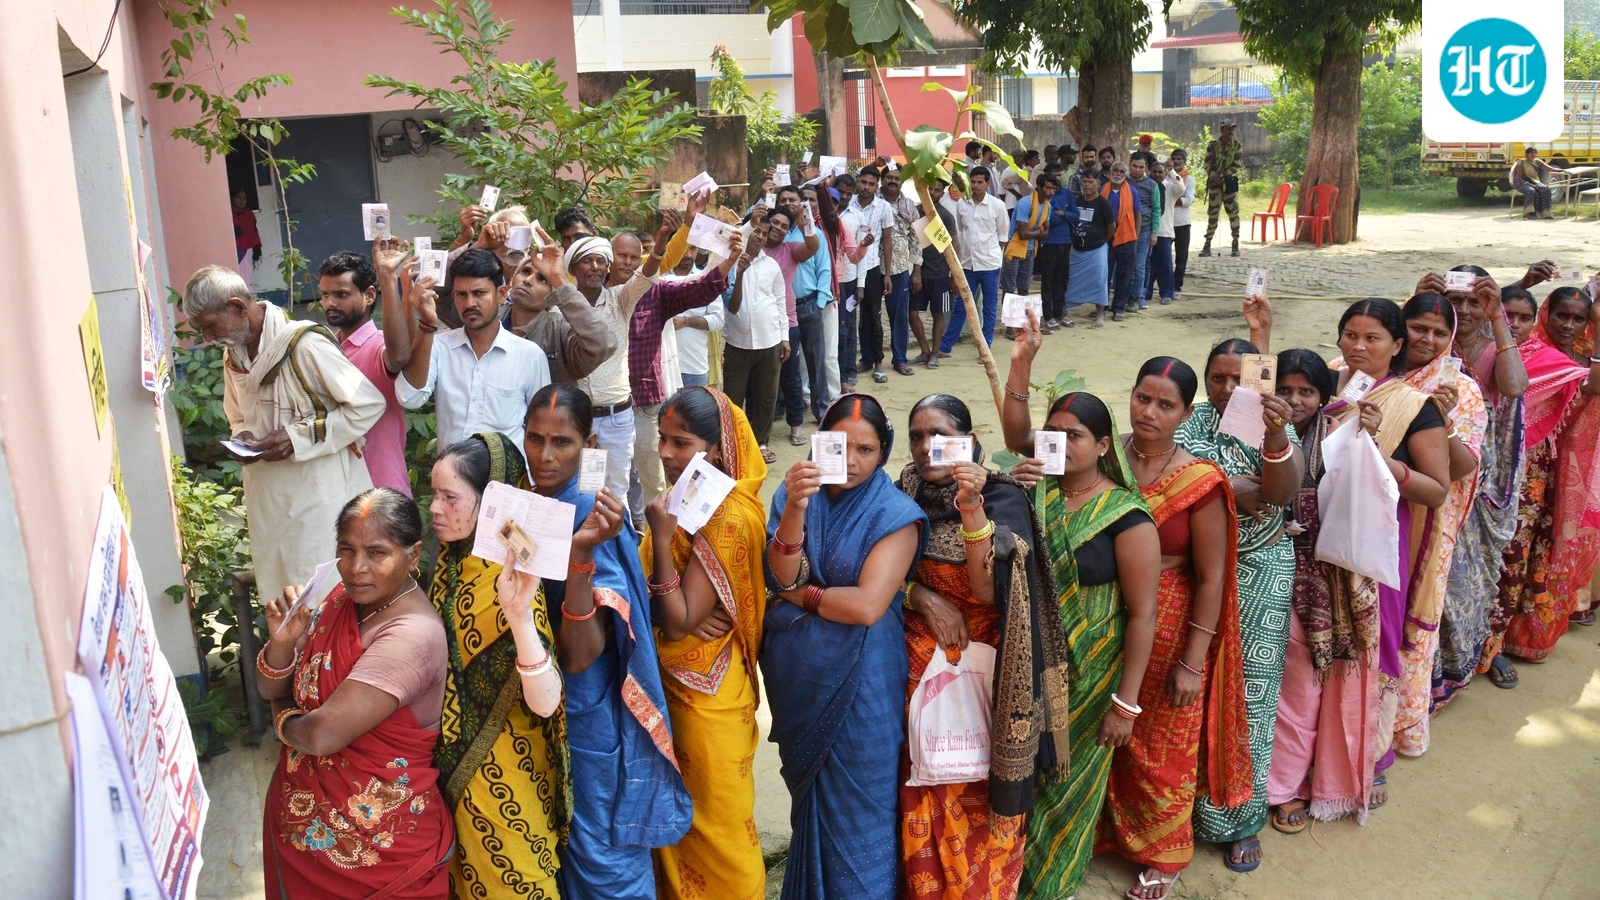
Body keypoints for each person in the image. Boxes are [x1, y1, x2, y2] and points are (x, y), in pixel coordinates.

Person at [1000, 331, 1160, 898]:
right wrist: (1021, 362)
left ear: (1100, 445)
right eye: (1055, 435)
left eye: (1077, 437)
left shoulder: (1125, 514)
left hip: (1093, 675)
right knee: (1027, 774)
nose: (1063, 444)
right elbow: (1014, 434)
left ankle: (1051, 885)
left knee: (1069, 784)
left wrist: (1126, 702)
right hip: (1030, 663)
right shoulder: (1032, 492)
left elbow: (1143, 615)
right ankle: (1010, 877)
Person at [897, 393, 1076, 898]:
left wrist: (970, 507)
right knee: (923, 785)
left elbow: (987, 591)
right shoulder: (903, 492)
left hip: (984, 674)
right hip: (915, 672)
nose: (926, 446)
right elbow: (873, 567)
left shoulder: (1000, 497)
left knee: (975, 784)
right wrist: (921, 595)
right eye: (917, 436)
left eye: (940, 435)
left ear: (969, 441)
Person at [525, 384, 693, 899]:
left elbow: (581, 655)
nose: (545, 456)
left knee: (603, 860)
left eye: (563, 442)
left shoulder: (591, 517)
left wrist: (579, 557)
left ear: (590, 443)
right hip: (542, 710)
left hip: (588, 713)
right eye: (535, 439)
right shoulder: (530, 506)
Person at [1094, 356, 1252, 900]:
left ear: (1186, 413)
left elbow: (1211, 579)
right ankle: (1100, 835)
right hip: (1099, 613)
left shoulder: (1199, 481)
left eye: (1166, 405)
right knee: (1101, 728)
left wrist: (1192, 661)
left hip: (1168, 622)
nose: (1149, 412)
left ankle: (1162, 851)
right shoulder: (1103, 454)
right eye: (1142, 398)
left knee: (1161, 742)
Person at [764, 393, 927, 899]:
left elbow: (866, 607)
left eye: (866, 450)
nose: (851, 462)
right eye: (839, 446)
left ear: (884, 453)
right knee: (811, 798)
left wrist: (800, 596)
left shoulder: (896, 512)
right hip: (801, 681)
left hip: (865, 685)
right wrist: (794, 507)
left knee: (862, 807)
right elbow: (780, 571)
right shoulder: (792, 496)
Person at [258, 487, 454, 898]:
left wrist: (281, 716)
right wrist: (282, 642)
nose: (356, 567)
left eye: (377, 553)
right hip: (306, 832)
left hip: (375, 851)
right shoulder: (340, 600)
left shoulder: (411, 636)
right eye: (346, 549)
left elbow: (318, 735)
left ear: (413, 556)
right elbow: (268, 685)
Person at [1177, 336, 1304, 872]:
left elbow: (1280, 494)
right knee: (1189, 687)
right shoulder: (1189, 424)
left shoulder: (1272, 421)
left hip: (1261, 569)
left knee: (1250, 695)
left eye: (1239, 379)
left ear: (1258, 379)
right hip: (1194, 568)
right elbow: (1167, 484)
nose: (1229, 390)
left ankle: (1237, 817)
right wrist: (1231, 491)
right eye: (1218, 378)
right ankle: (1179, 809)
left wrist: (1274, 437)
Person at [186, 264, 384, 603]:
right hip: (268, 499)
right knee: (282, 599)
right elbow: (237, 416)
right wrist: (243, 436)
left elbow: (368, 404)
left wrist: (296, 439)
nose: (207, 338)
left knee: (325, 594)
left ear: (236, 306)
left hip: (319, 496)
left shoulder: (304, 345)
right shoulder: (232, 353)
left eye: (209, 326)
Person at [423, 434, 566, 898]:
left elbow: (546, 703)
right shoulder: (449, 564)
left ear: (492, 501)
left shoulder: (514, 577)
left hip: (511, 783)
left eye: (450, 497)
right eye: (433, 494)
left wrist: (520, 618)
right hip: (455, 785)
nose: (435, 509)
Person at [1323, 298, 1453, 809]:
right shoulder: (1331, 387)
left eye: (1372, 337)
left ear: (1396, 346)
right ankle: (1320, 749)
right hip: (1321, 536)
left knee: (1372, 646)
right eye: (1349, 335)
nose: (1357, 346)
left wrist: (1379, 457)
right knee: (1323, 644)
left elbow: (1436, 488)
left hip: (1375, 544)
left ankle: (1370, 760)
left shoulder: (1414, 406)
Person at [641, 386, 769, 900]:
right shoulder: (685, 495)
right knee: (677, 821)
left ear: (716, 449)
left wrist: (660, 535)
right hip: (673, 683)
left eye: (682, 442)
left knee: (719, 827)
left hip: (707, 698)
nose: (667, 453)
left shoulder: (729, 514)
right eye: (663, 439)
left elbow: (676, 622)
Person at [1266, 348, 1383, 833]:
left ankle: (1302, 783)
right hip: (1269, 575)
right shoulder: (1256, 430)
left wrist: (1367, 439)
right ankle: (1279, 784)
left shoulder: (1340, 433)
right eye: (1286, 390)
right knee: (1282, 687)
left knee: (1315, 685)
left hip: (1326, 582)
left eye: (1306, 391)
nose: (1294, 400)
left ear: (1324, 395)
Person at [1418, 269, 1525, 707]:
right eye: (1453, 301)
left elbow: (1515, 386)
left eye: (1473, 302)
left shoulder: (1491, 348)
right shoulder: (1433, 342)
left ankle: (1472, 655)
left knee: (1469, 577)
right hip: (1432, 464)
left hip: (1482, 478)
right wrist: (1420, 302)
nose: (1463, 311)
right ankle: (1425, 671)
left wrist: (1497, 314)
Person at [1386, 293, 1485, 757]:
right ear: (1401, 326)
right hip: (1368, 513)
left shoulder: (1461, 390)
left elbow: (1463, 468)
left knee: (1408, 616)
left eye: (1439, 332)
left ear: (1451, 339)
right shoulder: (1375, 365)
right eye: (1419, 327)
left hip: (1426, 520)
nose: (1428, 339)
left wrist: (1441, 423)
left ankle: (1397, 726)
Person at [1500, 286, 1600, 663]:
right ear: (1547, 314)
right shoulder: (1526, 353)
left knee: (1534, 551)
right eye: (1562, 315)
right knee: (1508, 550)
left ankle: (1518, 635)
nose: (1569, 325)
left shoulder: (1574, 360)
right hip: (1513, 468)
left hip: (1553, 470)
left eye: (1579, 319)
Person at [397, 247, 550, 454]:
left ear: (501, 294)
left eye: (479, 293)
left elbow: (542, 425)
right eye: (461, 294)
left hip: (506, 483)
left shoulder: (530, 356)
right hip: (451, 481)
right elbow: (410, 398)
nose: (469, 303)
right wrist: (426, 325)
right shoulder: (439, 347)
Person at [318, 245, 413, 495]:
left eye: (341, 294)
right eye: (325, 294)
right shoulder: (326, 348)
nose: (330, 302)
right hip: (337, 487)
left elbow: (399, 356)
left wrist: (389, 279)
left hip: (380, 488)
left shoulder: (377, 345)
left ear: (369, 295)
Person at [502, 231, 619, 385]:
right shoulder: (493, 317)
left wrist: (558, 279)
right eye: (525, 271)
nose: (528, 281)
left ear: (552, 296)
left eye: (542, 279)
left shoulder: (560, 329)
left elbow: (603, 344)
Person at [723, 217, 793, 464]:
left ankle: (761, 442)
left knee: (766, 396)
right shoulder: (729, 263)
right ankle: (732, 445)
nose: (760, 236)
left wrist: (784, 338)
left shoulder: (771, 265)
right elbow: (732, 307)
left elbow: (780, 301)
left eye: (765, 233)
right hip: (737, 342)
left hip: (769, 340)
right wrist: (740, 273)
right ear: (746, 232)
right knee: (733, 398)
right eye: (756, 231)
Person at [941, 166, 1008, 353]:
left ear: (988, 183)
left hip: (990, 265)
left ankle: (985, 347)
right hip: (967, 264)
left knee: (989, 307)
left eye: (980, 182)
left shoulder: (998, 206)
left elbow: (1002, 237)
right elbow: (961, 232)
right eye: (974, 182)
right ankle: (946, 346)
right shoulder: (962, 204)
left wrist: (992, 256)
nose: (976, 186)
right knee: (961, 306)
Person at [849, 166, 897, 384]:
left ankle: (878, 363)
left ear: (877, 186)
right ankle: (863, 359)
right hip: (849, 267)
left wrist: (886, 273)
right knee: (850, 317)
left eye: (871, 184)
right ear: (858, 181)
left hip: (871, 268)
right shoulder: (848, 203)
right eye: (863, 182)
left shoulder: (884, 207)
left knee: (873, 316)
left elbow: (887, 240)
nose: (866, 187)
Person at [911, 179, 960, 368]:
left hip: (940, 274)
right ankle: (924, 350)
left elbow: (953, 245)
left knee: (938, 314)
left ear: (942, 193)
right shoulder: (916, 212)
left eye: (937, 190)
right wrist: (916, 271)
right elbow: (916, 245)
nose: (932, 192)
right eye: (930, 188)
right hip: (919, 273)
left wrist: (953, 275)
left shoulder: (945, 216)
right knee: (912, 313)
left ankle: (935, 354)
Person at [1003, 174, 1057, 336]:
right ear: (1039, 187)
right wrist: (1038, 232)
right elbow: (1022, 233)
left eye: (1053, 188)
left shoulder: (1048, 206)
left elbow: (1045, 233)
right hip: (1014, 248)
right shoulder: (1025, 203)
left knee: (1024, 287)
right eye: (1048, 187)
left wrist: (1035, 233)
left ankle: (1021, 324)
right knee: (1009, 288)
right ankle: (1009, 327)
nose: (1051, 191)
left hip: (1030, 249)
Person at [881, 167, 920, 376]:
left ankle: (900, 359)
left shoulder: (909, 206)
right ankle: (870, 358)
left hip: (900, 268)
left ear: (901, 182)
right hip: (871, 268)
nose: (893, 181)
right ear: (882, 179)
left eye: (897, 178)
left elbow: (918, 239)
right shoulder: (871, 202)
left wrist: (917, 271)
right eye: (889, 177)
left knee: (899, 317)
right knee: (870, 317)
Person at [1065, 172, 1115, 328]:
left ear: (1098, 184)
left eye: (1090, 181)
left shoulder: (1103, 204)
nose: (1086, 184)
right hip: (1077, 248)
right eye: (1084, 181)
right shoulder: (1077, 201)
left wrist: (1102, 241)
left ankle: (1100, 313)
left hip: (1097, 249)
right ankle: (1064, 310)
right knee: (1071, 279)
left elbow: (1111, 226)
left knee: (1099, 281)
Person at [1036, 169, 1078, 329]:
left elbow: (1076, 214)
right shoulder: (1046, 196)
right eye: (1054, 176)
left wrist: (1063, 215)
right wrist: (1063, 217)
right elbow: (1048, 219)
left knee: (1062, 278)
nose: (1056, 179)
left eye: (1059, 175)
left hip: (1066, 242)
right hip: (1048, 242)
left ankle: (1059, 312)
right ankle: (1048, 315)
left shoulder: (1066, 194)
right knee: (1048, 279)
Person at [1101, 162, 1142, 322]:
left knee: (1125, 275)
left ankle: (1118, 308)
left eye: (1121, 171)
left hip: (1127, 238)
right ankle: (1102, 306)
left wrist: (1136, 238)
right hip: (1106, 238)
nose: (1118, 173)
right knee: (1104, 273)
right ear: (1110, 172)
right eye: (1115, 170)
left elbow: (1138, 215)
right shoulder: (1102, 190)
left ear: (1125, 174)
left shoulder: (1132, 191)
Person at [1126, 153, 1163, 311]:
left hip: (1145, 230)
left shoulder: (1152, 185)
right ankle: (1123, 296)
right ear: (1130, 164)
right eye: (1135, 166)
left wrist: (1154, 232)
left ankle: (1138, 297)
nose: (1137, 170)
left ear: (1146, 167)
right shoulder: (1123, 182)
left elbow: (1156, 209)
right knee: (1124, 265)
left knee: (1140, 266)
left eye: (1141, 167)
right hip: (1125, 230)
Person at [1201, 120, 1243, 258]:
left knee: (1233, 214)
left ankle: (1235, 244)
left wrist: (1223, 175)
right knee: (1213, 215)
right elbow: (1206, 162)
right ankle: (1207, 245)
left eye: (1232, 129)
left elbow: (1236, 165)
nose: (1231, 132)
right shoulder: (1213, 145)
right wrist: (1212, 175)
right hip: (1214, 184)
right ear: (1222, 130)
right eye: (1228, 129)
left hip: (1229, 183)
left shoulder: (1236, 145)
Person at [1147, 159, 1179, 306]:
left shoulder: (1170, 187)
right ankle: (1145, 292)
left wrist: (1172, 170)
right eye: (1155, 171)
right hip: (1147, 231)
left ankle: (1166, 293)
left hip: (1164, 231)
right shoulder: (1147, 186)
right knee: (1147, 264)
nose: (1158, 174)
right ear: (1150, 172)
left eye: (1161, 172)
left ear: (1165, 174)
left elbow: (1181, 188)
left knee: (1164, 264)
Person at [1168, 149, 1196, 299]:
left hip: (1182, 222)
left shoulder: (1189, 179)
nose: (1176, 161)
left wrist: (1173, 199)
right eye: (1174, 158)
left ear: (1184, 161)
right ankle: (1164, 285)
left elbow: (1188, 200)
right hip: (1166, 222)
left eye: (1179, 159)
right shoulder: (1165, 177)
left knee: (1181, 257)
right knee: (1164, 256)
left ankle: (1176, 287)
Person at [1510, 146, 1555, 219]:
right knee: (1531, 190)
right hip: (1521, 182)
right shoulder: (1522, 162)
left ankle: (1545, 213)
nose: (1534, 155)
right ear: (1526, 154)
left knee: (1545, 190)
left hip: (1534, 181)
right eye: (1531, 153)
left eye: (1535, 153)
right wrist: (1530, 185)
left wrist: (1562, 171)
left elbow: (1549, 169)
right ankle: (1528, 213)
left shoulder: (1537, 161)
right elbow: (1518, 178)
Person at [232, 188, 262, 285]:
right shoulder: (227, 214)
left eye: (244, 198)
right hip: (231, 250)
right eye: (238, 198)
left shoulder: (249, 215)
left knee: (246, 277)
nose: (242, 201)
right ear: (232, 198)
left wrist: (256, 248)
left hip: (247, 250)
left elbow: (253, 233)